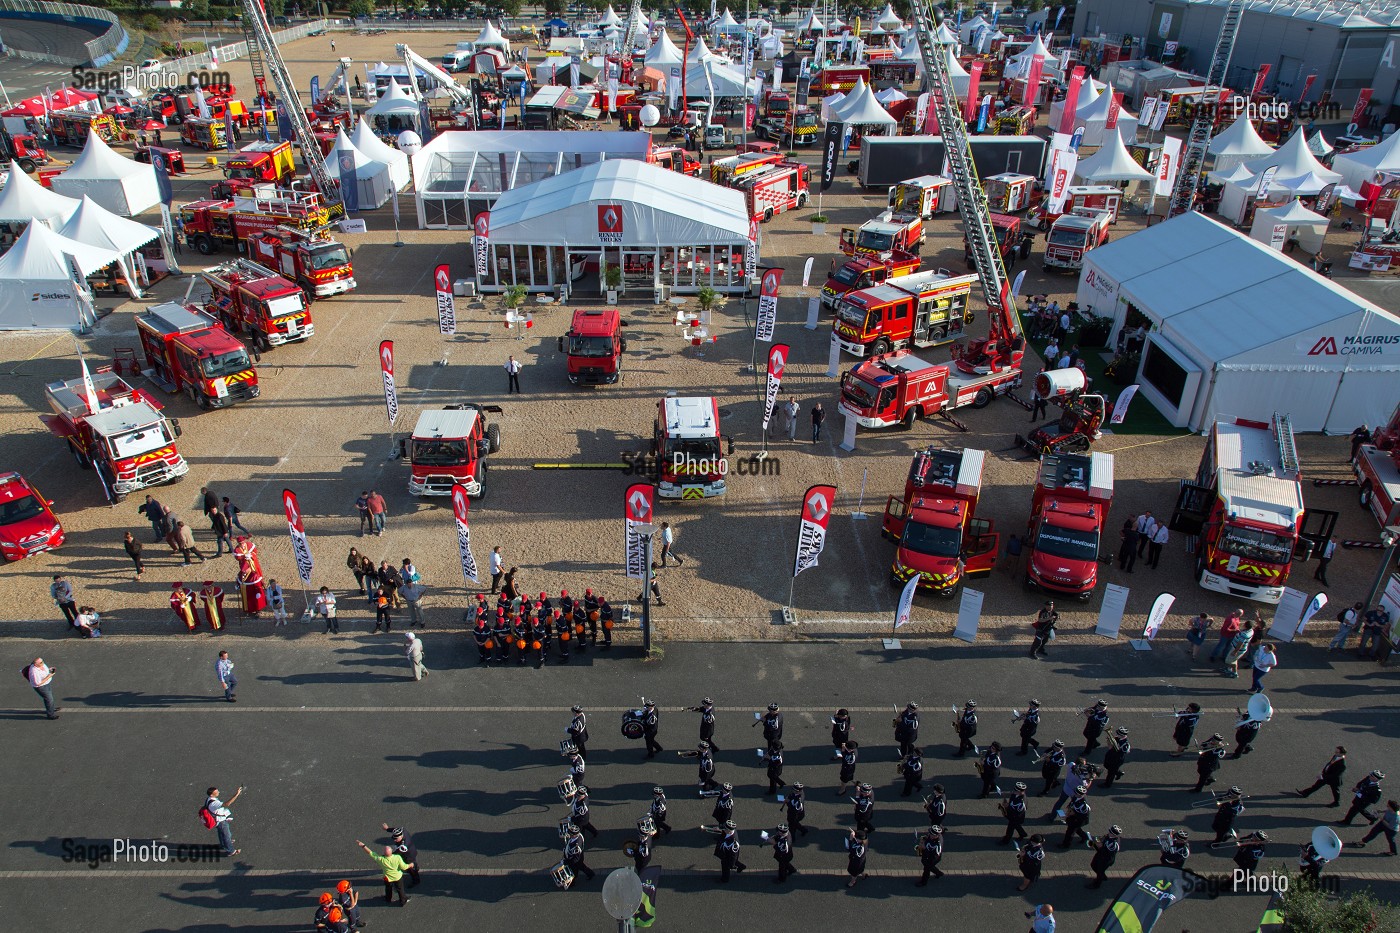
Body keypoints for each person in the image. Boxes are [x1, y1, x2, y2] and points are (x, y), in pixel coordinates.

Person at [355, 839, 411, 905]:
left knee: (388, 889)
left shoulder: (381, 859)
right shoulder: (397, 857)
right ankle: (403, 900)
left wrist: (363, 846)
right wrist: (411, 865)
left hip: (387, 878)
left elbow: (371, 853)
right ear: (392, 851)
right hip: (397, 877)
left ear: (384, 853)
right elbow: (404, 867)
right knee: (400, 889)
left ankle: (388, 899)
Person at [206, 786, 243, 857]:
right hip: (221, 821)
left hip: (216, 820)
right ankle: (231, 851)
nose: (218, 792)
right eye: (216, 792)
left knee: (221, 833)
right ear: (211, 795)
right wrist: (237, 794)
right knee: (227, 835)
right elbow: (227, 804)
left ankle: (223, 844)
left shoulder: (209, 799)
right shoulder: (214, 803)